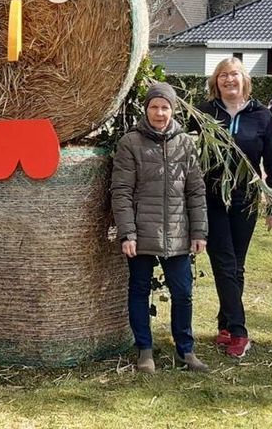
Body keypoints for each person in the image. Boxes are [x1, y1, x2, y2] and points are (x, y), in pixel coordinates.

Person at [111, 82, 209, 374]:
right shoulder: (131, 143)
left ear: (173, 109)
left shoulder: (185, 143)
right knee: (139, 290)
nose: (159, 112)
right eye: (154, 107)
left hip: (178, 232)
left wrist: (199, 232)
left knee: (183, 292)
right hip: (142, 233)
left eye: (165, 107)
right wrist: (127, 233)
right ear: (146, 109)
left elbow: (196, 191)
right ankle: (145, 350)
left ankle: (186, 350)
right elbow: (121, 192)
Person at [197, 57, 272, 359]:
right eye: (222, 75)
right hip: (213, 198)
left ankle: (225, 324)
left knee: (236, 264)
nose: (228, 80)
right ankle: (239, 332)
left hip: (245, 199)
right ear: (215, 81)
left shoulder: (262, 117)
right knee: (223, 261)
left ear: (244, 79)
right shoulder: (206, 112)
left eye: (234, 75)